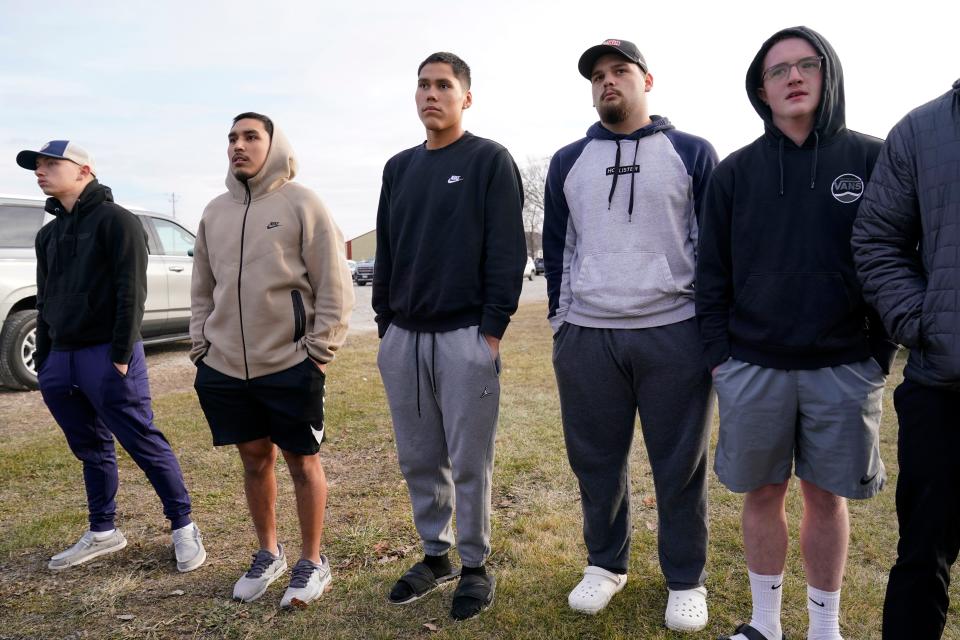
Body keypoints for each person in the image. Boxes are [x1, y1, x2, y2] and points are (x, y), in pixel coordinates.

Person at [695, 27, 897, 640]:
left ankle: (824, 628)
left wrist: (877, 354)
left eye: (806, 64)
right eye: (778, 70)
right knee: (762, 495)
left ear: (826, 72)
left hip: (844, 365)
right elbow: (712, 274)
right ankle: (765, 624)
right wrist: (720, 360)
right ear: (762, 87)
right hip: (752, 365)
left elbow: (896, 256)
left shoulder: (872, 157)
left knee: (826, 498)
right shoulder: (734, 173)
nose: (794, 77)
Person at [543, 39, 717, 632]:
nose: (607, 82)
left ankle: (685, 578)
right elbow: (557, 249)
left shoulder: (690, 152)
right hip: (589, 334)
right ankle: (605, 564)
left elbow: (711, 247)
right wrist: (562, 324)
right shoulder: (568, 161)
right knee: (595, 460)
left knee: (679, 465)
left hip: (673, 330)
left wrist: (708, 329)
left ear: (648, 79)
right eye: (597, 75)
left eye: (620, 71)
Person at [373, 52, 526, 620]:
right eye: (422, 85)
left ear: (466, 97)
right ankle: (434, 556)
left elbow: (507, 251)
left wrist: (491, 332)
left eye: (443, 85)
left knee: (467, 460)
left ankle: (475, 564)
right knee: (418, 457)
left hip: (465, 336)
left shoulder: (489, 160)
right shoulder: (399, 168)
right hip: (405, 339)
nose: (431, 94)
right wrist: (386, 325)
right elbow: (386, 252)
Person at [17, 140, 206, 574]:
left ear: (84, 170)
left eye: (50, 164)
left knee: (140, 437)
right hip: (61, 358)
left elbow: (131, 292)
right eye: (37, 166)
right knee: (90, 447)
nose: (40, 171)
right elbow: (45, 300)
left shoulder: (117, 222)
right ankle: (103, 530)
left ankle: (183, 525)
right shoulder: (48, 234)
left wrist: (121, 355)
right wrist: (46, 361)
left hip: (107, 353)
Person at [190, 112, 353, 608]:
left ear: (273, 144)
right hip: (225, 367)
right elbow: (202, 288)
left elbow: (334, 285)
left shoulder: (301, 202)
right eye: (232, 138)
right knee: (254, 458)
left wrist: (317, 353)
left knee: (303, 462)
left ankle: (312, 561)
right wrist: (202, 347)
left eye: (250, 137)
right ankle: (268, 552)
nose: (239, 146)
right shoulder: (214, 212)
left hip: (289, 362)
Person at [852, 79, 960, 640]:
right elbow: (876, 240)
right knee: (922, 556)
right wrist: (926, 323)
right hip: (943, 385)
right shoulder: (923, 129)